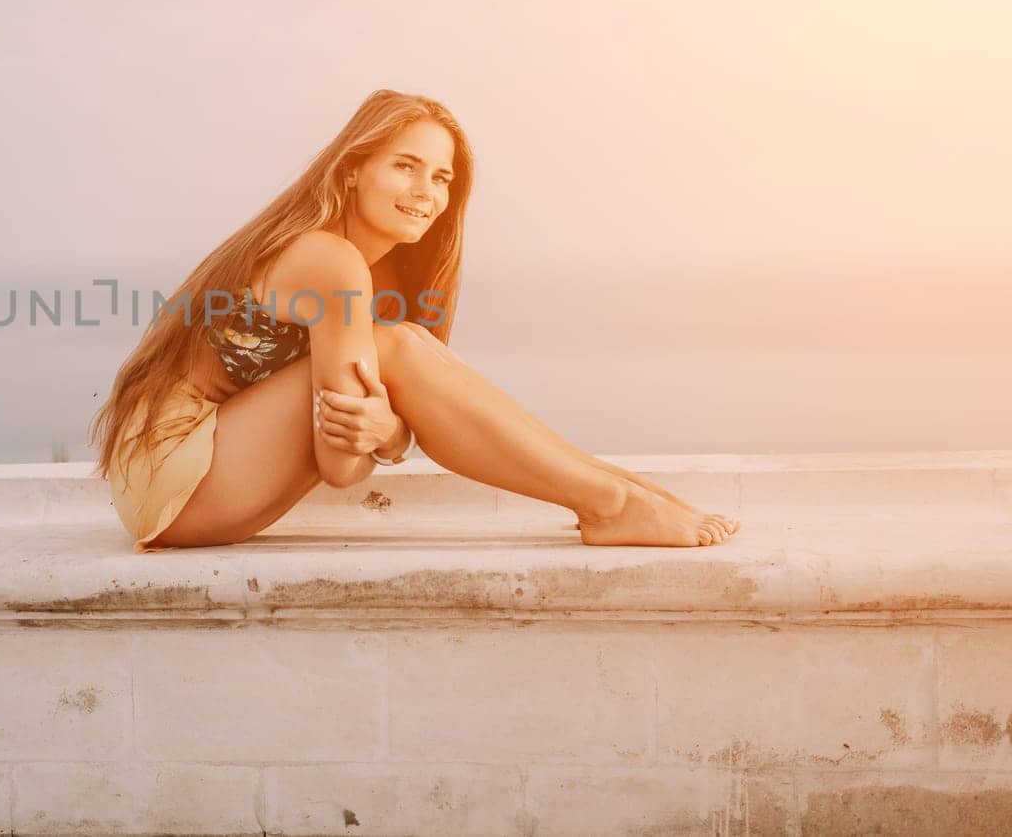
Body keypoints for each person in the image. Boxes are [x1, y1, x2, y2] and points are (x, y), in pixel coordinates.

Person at [88, 88, 740, 553]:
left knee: (406, 346)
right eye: (404, 165)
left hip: (193, 482)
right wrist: (386, 432)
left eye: (441, 176)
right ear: (352, 172)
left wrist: (392, 431)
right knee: (401, 346)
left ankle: (619, 490)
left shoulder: (379, 277)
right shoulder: (327, 259)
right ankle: (611, 503)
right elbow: (342, 467)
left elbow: (383, 429)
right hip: (173, 473)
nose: (426, 191)